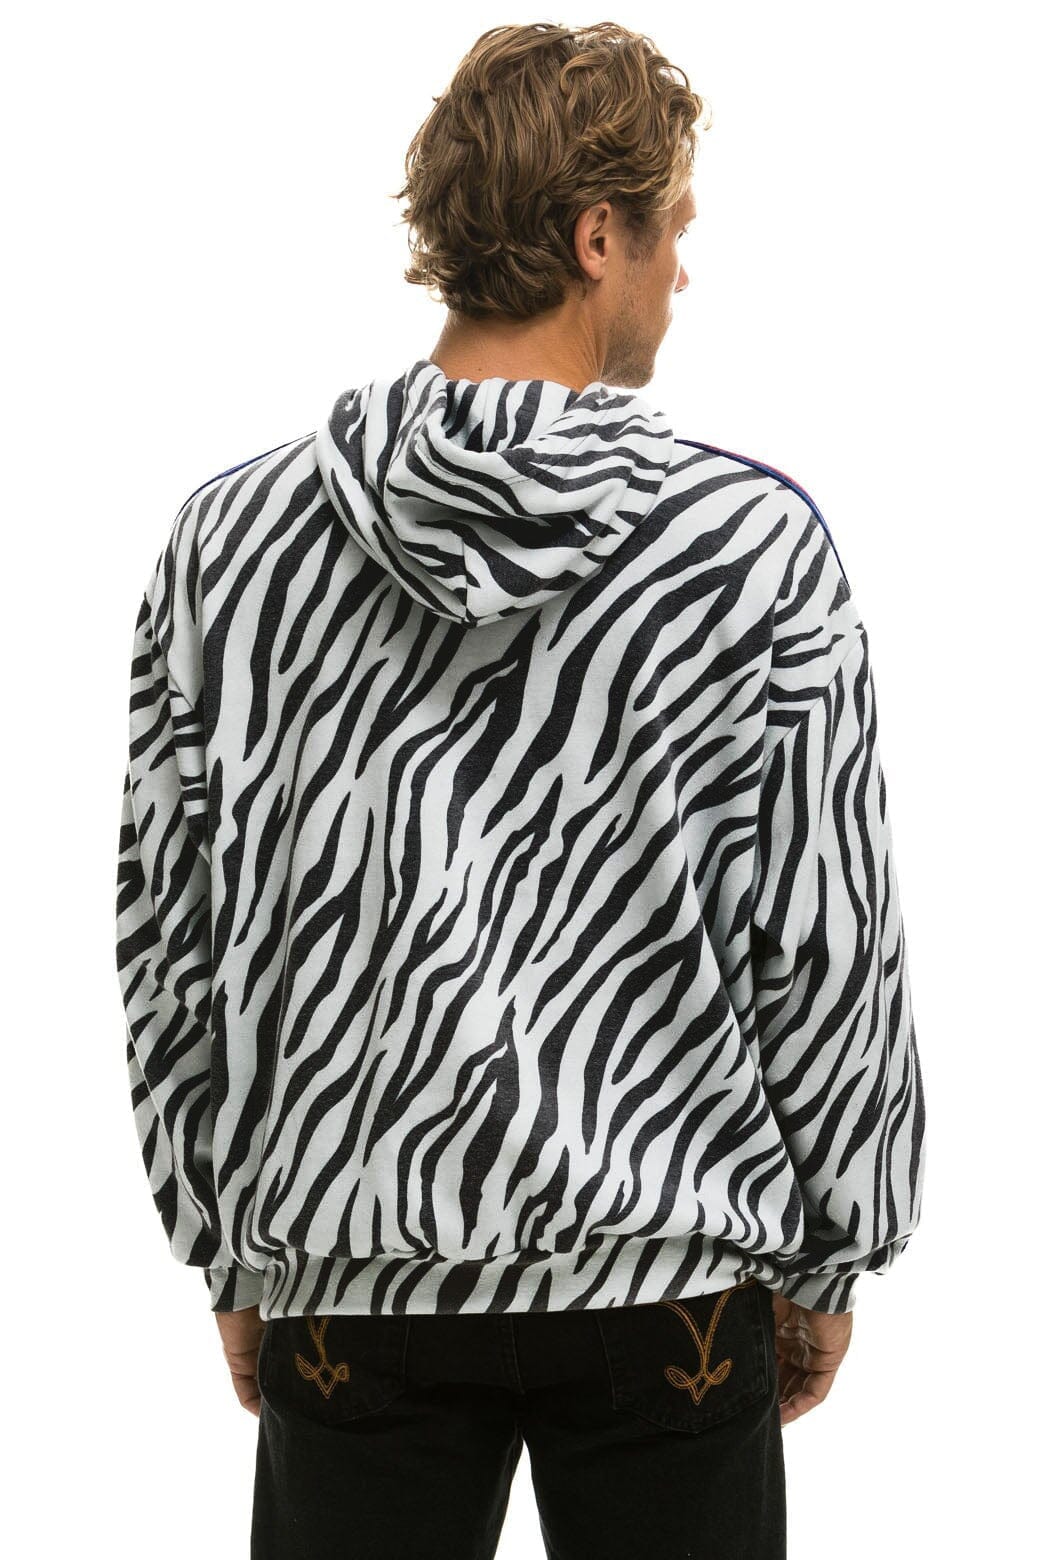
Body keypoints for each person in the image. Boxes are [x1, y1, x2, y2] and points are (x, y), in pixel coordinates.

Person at [113, 20, 927, 1560]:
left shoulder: (228, 547)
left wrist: (226, 1239)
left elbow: (171, 929)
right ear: (597, 235)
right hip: (671, 1285)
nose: (684, 271)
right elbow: (826, 936)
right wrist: (839, 1248)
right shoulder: (749, 549)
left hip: (355, 1275)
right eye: (674, 228)